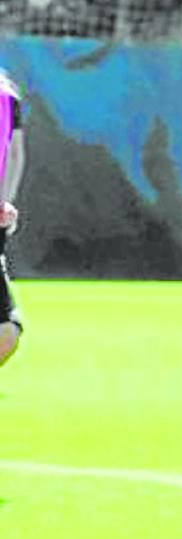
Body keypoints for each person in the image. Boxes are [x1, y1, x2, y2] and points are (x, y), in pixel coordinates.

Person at [0, 69, 25, 368]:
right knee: (7, 331)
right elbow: (16, 154)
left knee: (7, 331)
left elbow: (15, 152)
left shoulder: (6, 97)